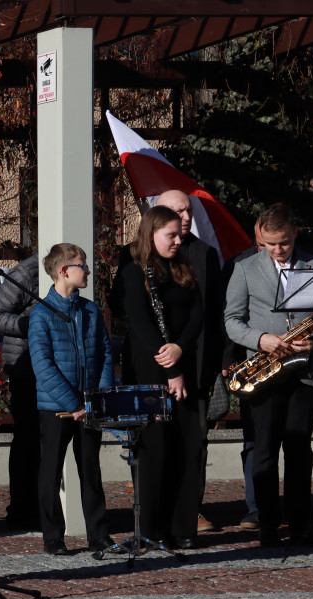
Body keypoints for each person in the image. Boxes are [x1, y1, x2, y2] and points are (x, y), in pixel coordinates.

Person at [224, 203, 313, 547]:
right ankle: (267, 524)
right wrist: (261, 339)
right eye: (269, 244)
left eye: (284, 242)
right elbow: (232, 321)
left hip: (304, 370)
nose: (277, 250)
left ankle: (300, 524)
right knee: (264, 450)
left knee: (299, 450)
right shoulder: (244, 268)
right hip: (264, 371)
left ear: (294, 232)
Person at [113, 205, 203, 548]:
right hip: (149, 367)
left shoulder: (183, 267)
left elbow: (198, 315)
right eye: (171, 235)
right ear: (151, 235)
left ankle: (182, 528)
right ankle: (151, 528)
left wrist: (180, 348)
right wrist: (171, 368)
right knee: (154, 449)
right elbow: (140, 323)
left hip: (181, 361)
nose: (178, 241)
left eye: (180, 235)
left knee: (186, 446)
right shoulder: (134, 271)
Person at [28, 243, 118, 556]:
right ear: (65, 270)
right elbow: (43, 366)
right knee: (50, 472)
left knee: (91, 470)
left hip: (90, 404)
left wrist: (97, 396)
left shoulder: (90, 310)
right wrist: (73, 404)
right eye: (83, 264)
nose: (88, 270)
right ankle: (53, 537)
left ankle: (99, 535)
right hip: (57, 409)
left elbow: (105, 353)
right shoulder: (41, 314)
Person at [154, 190, 223, 534]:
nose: (185, 217)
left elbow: (213, 311)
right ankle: (157, 511)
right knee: (157, 441)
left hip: (195, 365)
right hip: (155, 363)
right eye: (177, 211)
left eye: (188, 211)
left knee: (195, 440)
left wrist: (220, 361)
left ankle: (192, 510)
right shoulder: (139, 255)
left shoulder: (204, 253)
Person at [0, 250, 41, 531]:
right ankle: (20, 509)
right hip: (26, 368)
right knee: (27, 440)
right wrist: (34, 325)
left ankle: (44, 506)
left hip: (53, 370)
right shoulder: (27, 271)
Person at [221, 223, 265, 529]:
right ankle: (256, 507)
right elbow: (228, 314)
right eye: (261, 245)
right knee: (253, 439)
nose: (268, 251)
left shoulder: (308, 262)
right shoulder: (239, 264)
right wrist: (228, 360)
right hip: (252, 361)